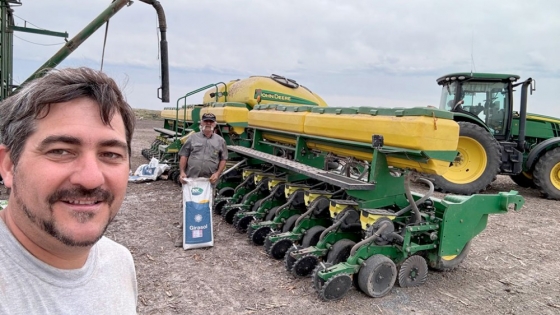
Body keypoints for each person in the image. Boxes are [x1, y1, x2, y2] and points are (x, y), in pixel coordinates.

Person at [0, 67, 138, 314]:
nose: (90, 179)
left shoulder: (119, 262)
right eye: (61, 151)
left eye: (110, 154)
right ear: (9, 166)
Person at [175, 112, 228, 247]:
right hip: (191, 180)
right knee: (187, 207)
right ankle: (182, 236)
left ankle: (205, 236)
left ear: (215, 124)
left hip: (208, 182)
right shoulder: (192, 138)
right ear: (201, 123)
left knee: (206, 207)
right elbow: (184, 155)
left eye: (211, 121)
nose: (208, 124)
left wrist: (217, 173)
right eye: (206, 121)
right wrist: (182, 172)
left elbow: (223, 159)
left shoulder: (220, 141)